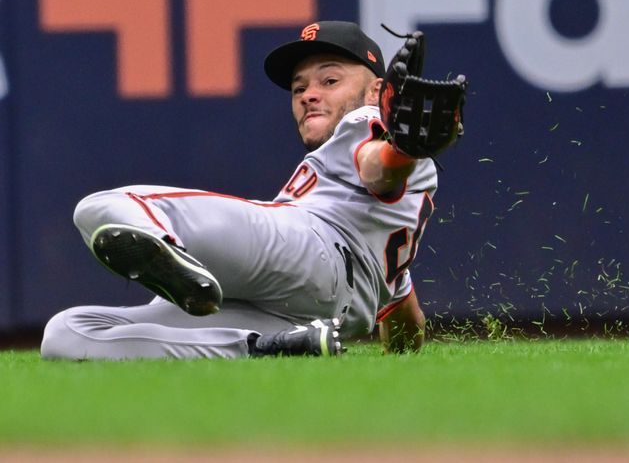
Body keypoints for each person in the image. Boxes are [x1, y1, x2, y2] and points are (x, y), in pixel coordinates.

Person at [40, 21, 437, 360]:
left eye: (329, 80)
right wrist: (402, 354)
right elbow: (406, 319)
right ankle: (264, 348)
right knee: (66, 334)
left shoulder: (372, 123)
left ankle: (172, 255)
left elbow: (377, 167)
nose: (308, 94)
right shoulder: (380, 213)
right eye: (298, 89)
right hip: (320, 308)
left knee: (101, 208)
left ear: (377, 92)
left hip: (312, 252)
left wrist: (403, 147)